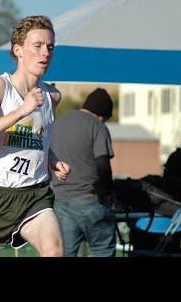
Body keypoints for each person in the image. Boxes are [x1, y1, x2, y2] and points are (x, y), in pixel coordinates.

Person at [0, 15, 70, 257]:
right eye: (38, 45)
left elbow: (38, 139)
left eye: (50, 47)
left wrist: (52, 160)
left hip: (35, 194)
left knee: (54, 250)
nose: (45, 53)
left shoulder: (52, 96)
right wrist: (22, 110)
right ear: (18, 50)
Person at [51, 88, 116, 257]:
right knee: (103, 251)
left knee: (64, 253)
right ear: (102, 115)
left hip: (60, 201)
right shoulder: (97, 125)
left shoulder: (58, 122)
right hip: (90, 200)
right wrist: (108, 193)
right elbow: (103, 164)